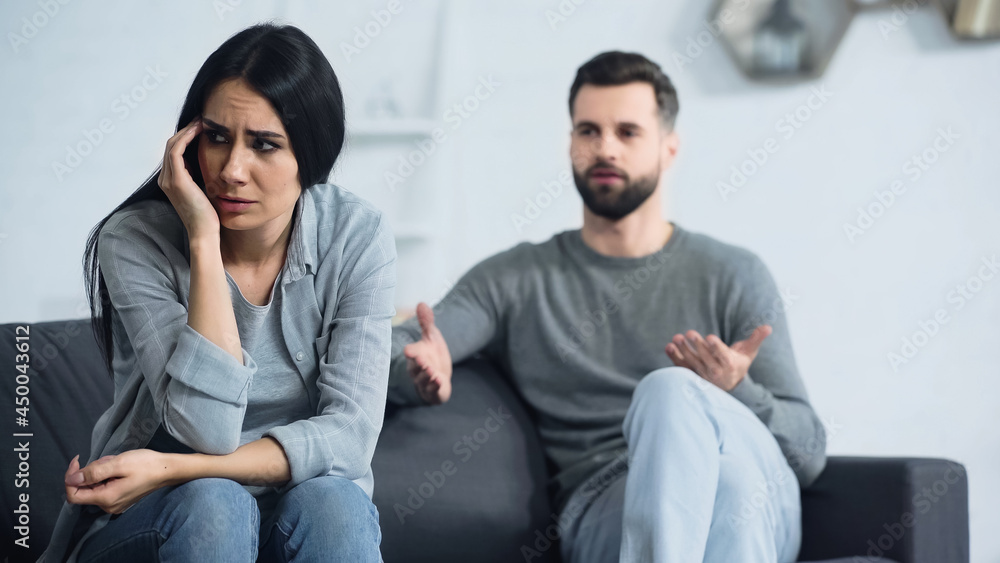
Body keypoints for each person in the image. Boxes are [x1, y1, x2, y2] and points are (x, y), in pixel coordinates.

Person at [388, 51, 826, 563]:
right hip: (608, 509)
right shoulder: (516, 277)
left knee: (691, 421)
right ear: (571, 142)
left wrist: (737, 391)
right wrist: (412, 371)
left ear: (669, 148)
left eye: (628, 132)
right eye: (588, 131)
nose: (605, 148)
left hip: (755, 497)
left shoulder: (733, 273)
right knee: (685, 420)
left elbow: (809, 453)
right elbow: (405, 345)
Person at [40, 24, 395, 563]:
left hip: (277, 508)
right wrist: (204, 240)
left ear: (313, 156)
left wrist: (177, 465)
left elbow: (349, 438)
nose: (231, 171)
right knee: (215, 503)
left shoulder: (356, 235)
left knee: (335, 505)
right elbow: (206, 430)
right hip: (155, 515)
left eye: (264, 145)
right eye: (217, 137)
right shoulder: (135, 242)